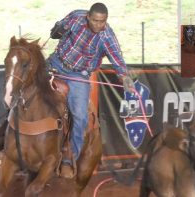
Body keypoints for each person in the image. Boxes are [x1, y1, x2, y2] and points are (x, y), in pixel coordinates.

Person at [47, 2, 134, 178]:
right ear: (88, 16)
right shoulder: (76, 17)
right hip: (55, 63)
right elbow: (57, 29)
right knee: (26, 85)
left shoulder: (107, 37)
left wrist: (124, 77)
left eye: (102, 21)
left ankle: (68, 160)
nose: (98, 25)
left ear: (106, 20)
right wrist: (56, 30)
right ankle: (7, 132)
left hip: (79, 76)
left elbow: (117, 59)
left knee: (80, 116)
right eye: (95, 20)